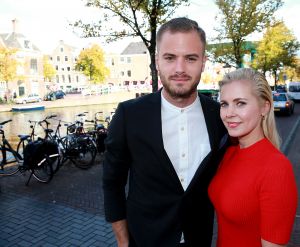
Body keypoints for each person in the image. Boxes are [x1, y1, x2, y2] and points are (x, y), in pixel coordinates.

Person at [103, 17, 227, 247]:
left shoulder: (219, 116)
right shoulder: (129, 115)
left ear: (203, 62)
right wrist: (123, 242)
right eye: (170, 58)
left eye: (190, 58)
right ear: (157, 60)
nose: (180, 69)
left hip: (198, 240)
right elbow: (112, 183)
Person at [208, 68, 297, 247]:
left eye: (240, 103)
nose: (228, 113)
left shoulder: (277, 168)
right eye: (224, 104)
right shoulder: (230, 153)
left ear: (264, 107)